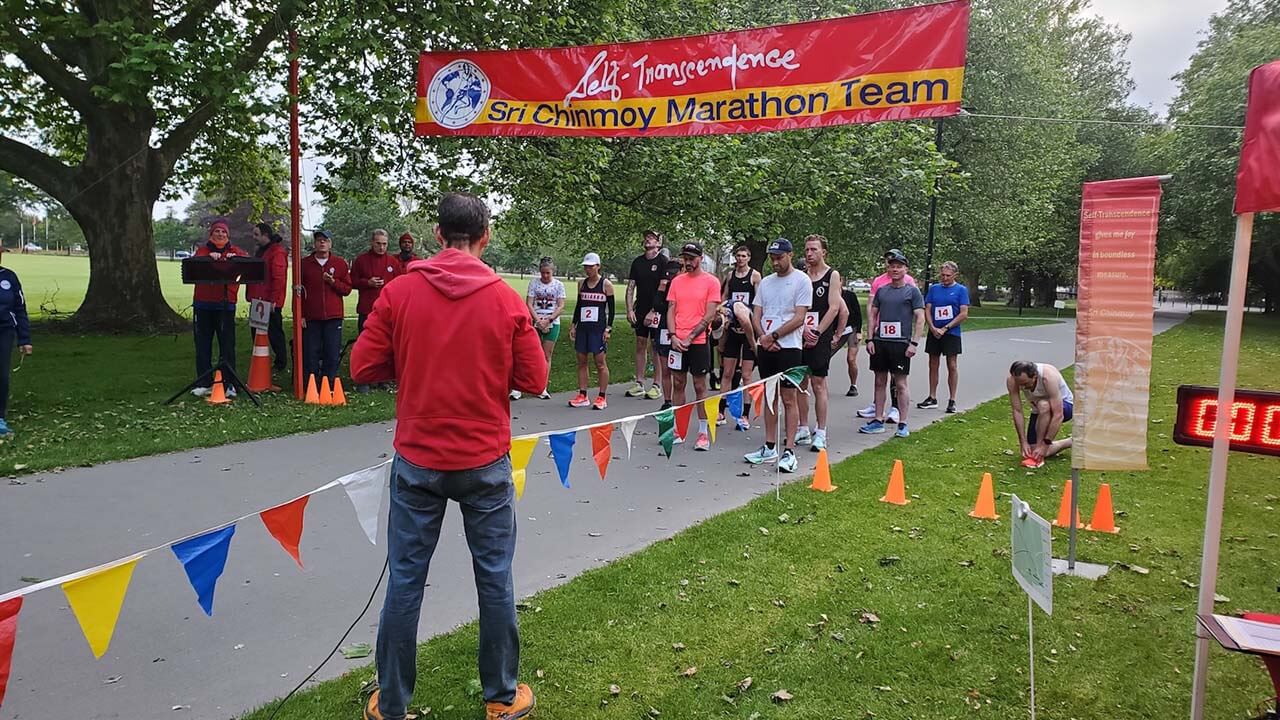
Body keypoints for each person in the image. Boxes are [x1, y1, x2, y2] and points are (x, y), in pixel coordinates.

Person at [351, 192, 547, 720]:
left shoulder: (399, 292)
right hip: (484, 460)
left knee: (406, 581)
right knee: (495, 578)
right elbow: (535, 380)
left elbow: (363, 366)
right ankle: (501, 698)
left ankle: (391, 704)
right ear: (484, 237)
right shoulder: (506, 299)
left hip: (417, 460)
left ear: (438, 235)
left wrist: (415, 361)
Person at [744, 239, 810, 474]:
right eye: (772, 257)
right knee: (769, 396)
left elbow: (800, 317)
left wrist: (774, 336)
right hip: (767, 346)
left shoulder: (802, 281)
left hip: (789, 347)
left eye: (779, 257)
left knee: (788, 398)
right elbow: (756, 314)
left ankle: (789, 450)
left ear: (790, 255)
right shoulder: (766, 283)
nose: (775, 261)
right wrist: (763, 337)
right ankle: (769, 445)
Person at [860, 249, 924, 438]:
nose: (895, 270)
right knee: (879, 381)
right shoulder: (882, 290)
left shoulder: (912, 292)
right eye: (892, 266)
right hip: (880, 342)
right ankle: (878, 419)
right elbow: (872, 315)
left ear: (906, 269)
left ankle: (903, 423)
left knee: (900, 383)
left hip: (901, 343)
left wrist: (914, 343)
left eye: (899, 266)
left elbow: (920, 318)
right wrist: (870, 338)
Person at [666, 242, 722, 451]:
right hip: (677, 340)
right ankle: (679, 430)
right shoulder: (677, 282)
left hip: (698, 341)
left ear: (700, 259)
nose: (687, 262)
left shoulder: (711, 282)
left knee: (700, 386)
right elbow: (671, 309)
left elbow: (709, 314)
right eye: (685, 259)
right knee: (678, 383)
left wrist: (690, 337)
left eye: (691, 259)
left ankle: (702, 432)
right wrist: (673, 336)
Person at [794, 235, 845, 452]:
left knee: (818, 383)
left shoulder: (832, 275)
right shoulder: (800, 277)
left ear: (824, 252)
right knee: (799, 382)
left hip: (820, 334)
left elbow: (834, 307)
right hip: (800, 334)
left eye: (813, 249)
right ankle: (803, 426)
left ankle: (821, 431)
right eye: (806, 250)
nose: (809, 253)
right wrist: (803, 329)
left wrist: (817, 331)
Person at [191, 220, 249, 397]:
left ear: (228, 235)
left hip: (226, 305)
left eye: (223, 232)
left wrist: (234, 260)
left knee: (227, 345)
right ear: (211, 234)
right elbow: (193, 266)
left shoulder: (235, 251)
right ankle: (204, 381)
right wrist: (209, 259)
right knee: (203, 344)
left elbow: (248, 264)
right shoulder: (203, 251)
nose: (220, 234)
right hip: (204, 304)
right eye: (217, 231)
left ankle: (229, 382)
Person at [300, 229, 351, 386]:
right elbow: (298, 291)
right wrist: (300, 315)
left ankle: (329, 383)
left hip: (333, 315)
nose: (322, 243)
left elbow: (347, 289)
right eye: (319, 240)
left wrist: (333, 282)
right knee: (311, 351)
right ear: (314, 244)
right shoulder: (304, 264)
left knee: (332, 351)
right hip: (311, 316)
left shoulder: (339, 263)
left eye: (325, 240)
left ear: (330, 244)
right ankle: (311, 383)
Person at [919, 261, 969, 413]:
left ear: (955, 275)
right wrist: (932, 327)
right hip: (934, 332)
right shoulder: (934, 289)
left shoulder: (961, 290)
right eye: (942, 275)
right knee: (933, 364)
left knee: (952, 365)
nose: (945, 278)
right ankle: (932, 396)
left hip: (951, 333)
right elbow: (927, 308)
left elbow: (963, 314)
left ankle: (952, 399)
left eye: (948, 275)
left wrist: (946, 328)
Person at [720, 244, 760, 431]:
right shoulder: (730, 276)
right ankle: (720, 411)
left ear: (749, 258)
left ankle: (745, 414)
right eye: (738, 256)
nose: (740, 259)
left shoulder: (754, 276)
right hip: (733, 330)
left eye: (744, 256)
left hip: (748, 329)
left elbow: (760, 301)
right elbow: (725, 297)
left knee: (746, 375)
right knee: (727, 373)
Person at [568, 252, 614, 410]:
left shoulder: (605, 284)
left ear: (598, 267)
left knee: (600, 363)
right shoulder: (581, 284)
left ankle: (602, 396)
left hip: (598, 329)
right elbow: (578, 306)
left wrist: (608, 328)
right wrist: (574, 325)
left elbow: (612, 310)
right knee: (581, 362)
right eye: (586, 267)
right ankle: (583, 394)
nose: (587, 269)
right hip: (583, 328)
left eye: (591, 266)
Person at [1007, 360, 1073, 469]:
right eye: (1020, 384)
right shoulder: (1012, 381)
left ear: (1035, 376)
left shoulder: (1048, 377)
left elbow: (1058, 415)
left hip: (1065, 407)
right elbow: (1017, 411)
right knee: (1033, 452)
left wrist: (1044, 445)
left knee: (1043, 405)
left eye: (1025, 384)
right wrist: (1023, 442)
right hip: (1039, 411)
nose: (1023, 387)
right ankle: (1070, 442)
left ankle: (1039, 446)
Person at [625, 230, 665, 400]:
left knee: (656, 346)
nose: (648, 239)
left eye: (652, 237)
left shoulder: (663, 261)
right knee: (640, 344)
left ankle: (657, 384)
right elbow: (631, 287)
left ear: (659, 242)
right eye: (646, 237)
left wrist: (654, 310)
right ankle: (639, 382)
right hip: (640, 308)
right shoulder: (638, 262)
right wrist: (629, 309)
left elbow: (663, 289)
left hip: (657, 310)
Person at [245, 223, 289, 375]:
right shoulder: (263, 251)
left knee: (274, 332)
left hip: (268, 301)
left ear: (265, 235)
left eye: (257, 234)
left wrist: (274, 301)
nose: (254, 238)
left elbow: (278, 278)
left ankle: (280, 362)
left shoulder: (276, 252)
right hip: (258, 298)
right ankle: (261, 360)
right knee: (257, 332)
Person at [0, 243, 32, 437]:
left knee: (1, 376)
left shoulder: (9, 277)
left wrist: (24, 339)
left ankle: (0, 418)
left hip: (4, 331)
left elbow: (20, 309)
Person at [524, 257, 565, 400]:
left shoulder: (558, 285)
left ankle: (542, 386)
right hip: (536, 319)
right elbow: (529, 303)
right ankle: (522, 386)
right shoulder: (534, 283)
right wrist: (538, 320)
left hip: (552, 321)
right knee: (529, 353)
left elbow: (561, 306)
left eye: (548, 273)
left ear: (552, 271)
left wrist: (549, 320)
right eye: (542, 273)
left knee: (546, 355)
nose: (545, 276)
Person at [646, 254, 683, 411]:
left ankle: (678, 401)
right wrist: (662, 288)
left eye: (675, 272)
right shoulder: (664, 286)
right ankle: (667, 401)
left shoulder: (684, 287)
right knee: (665, 368)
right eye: (669, 273)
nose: (671, 276)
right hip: (663, 329)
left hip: (679, 329)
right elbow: (658, 305)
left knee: (678, 371)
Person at [831, 283, 863, 397]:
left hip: (851, 329)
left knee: (851, 358)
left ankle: (853, 385)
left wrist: (858, 332)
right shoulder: (829, 296)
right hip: (836, 331)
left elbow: (858, 314)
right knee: (823, 356)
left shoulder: (850, 295)